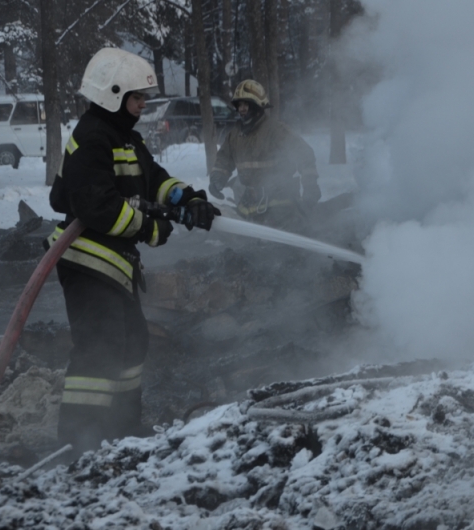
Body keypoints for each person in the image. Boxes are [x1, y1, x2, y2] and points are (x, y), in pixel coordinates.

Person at [46, 48, 220, 454]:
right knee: (99, 346)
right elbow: (98, 207)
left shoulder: (122, 137)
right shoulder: (91, 138)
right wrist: (150, 227)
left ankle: (120, 428)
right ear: (113, 94)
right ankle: (78, 439)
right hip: (87, 263)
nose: (143, 106)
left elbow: (151, 178)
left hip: (111, 265)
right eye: (137, 98)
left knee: (132, 341)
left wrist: (186, 198)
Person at [208, 79, 321, 233]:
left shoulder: (276, 130)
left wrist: (310, 186)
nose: (242, 109)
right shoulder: (234, 136)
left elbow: (304, 153)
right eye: (239, 105)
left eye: (246, 104)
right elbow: (224, 160)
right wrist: (217, 179)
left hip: (281, 206)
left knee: (278, 253)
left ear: (257, 105)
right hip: (248, 205)